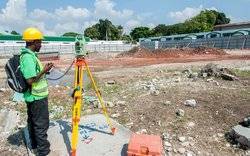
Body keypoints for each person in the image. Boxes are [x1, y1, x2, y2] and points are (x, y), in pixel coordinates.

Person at [20, 27, 53, 156]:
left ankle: (34, 146)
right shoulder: (28, 57)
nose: (41, 45)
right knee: (41, 125)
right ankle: (43, 151)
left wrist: (45, 70)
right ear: (33, 42)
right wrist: (44, 71)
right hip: (36, 97)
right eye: (40, 42)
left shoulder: (31, 56)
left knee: (33, 122)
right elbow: (30, 80)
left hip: (33, 96)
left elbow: (34, 75)